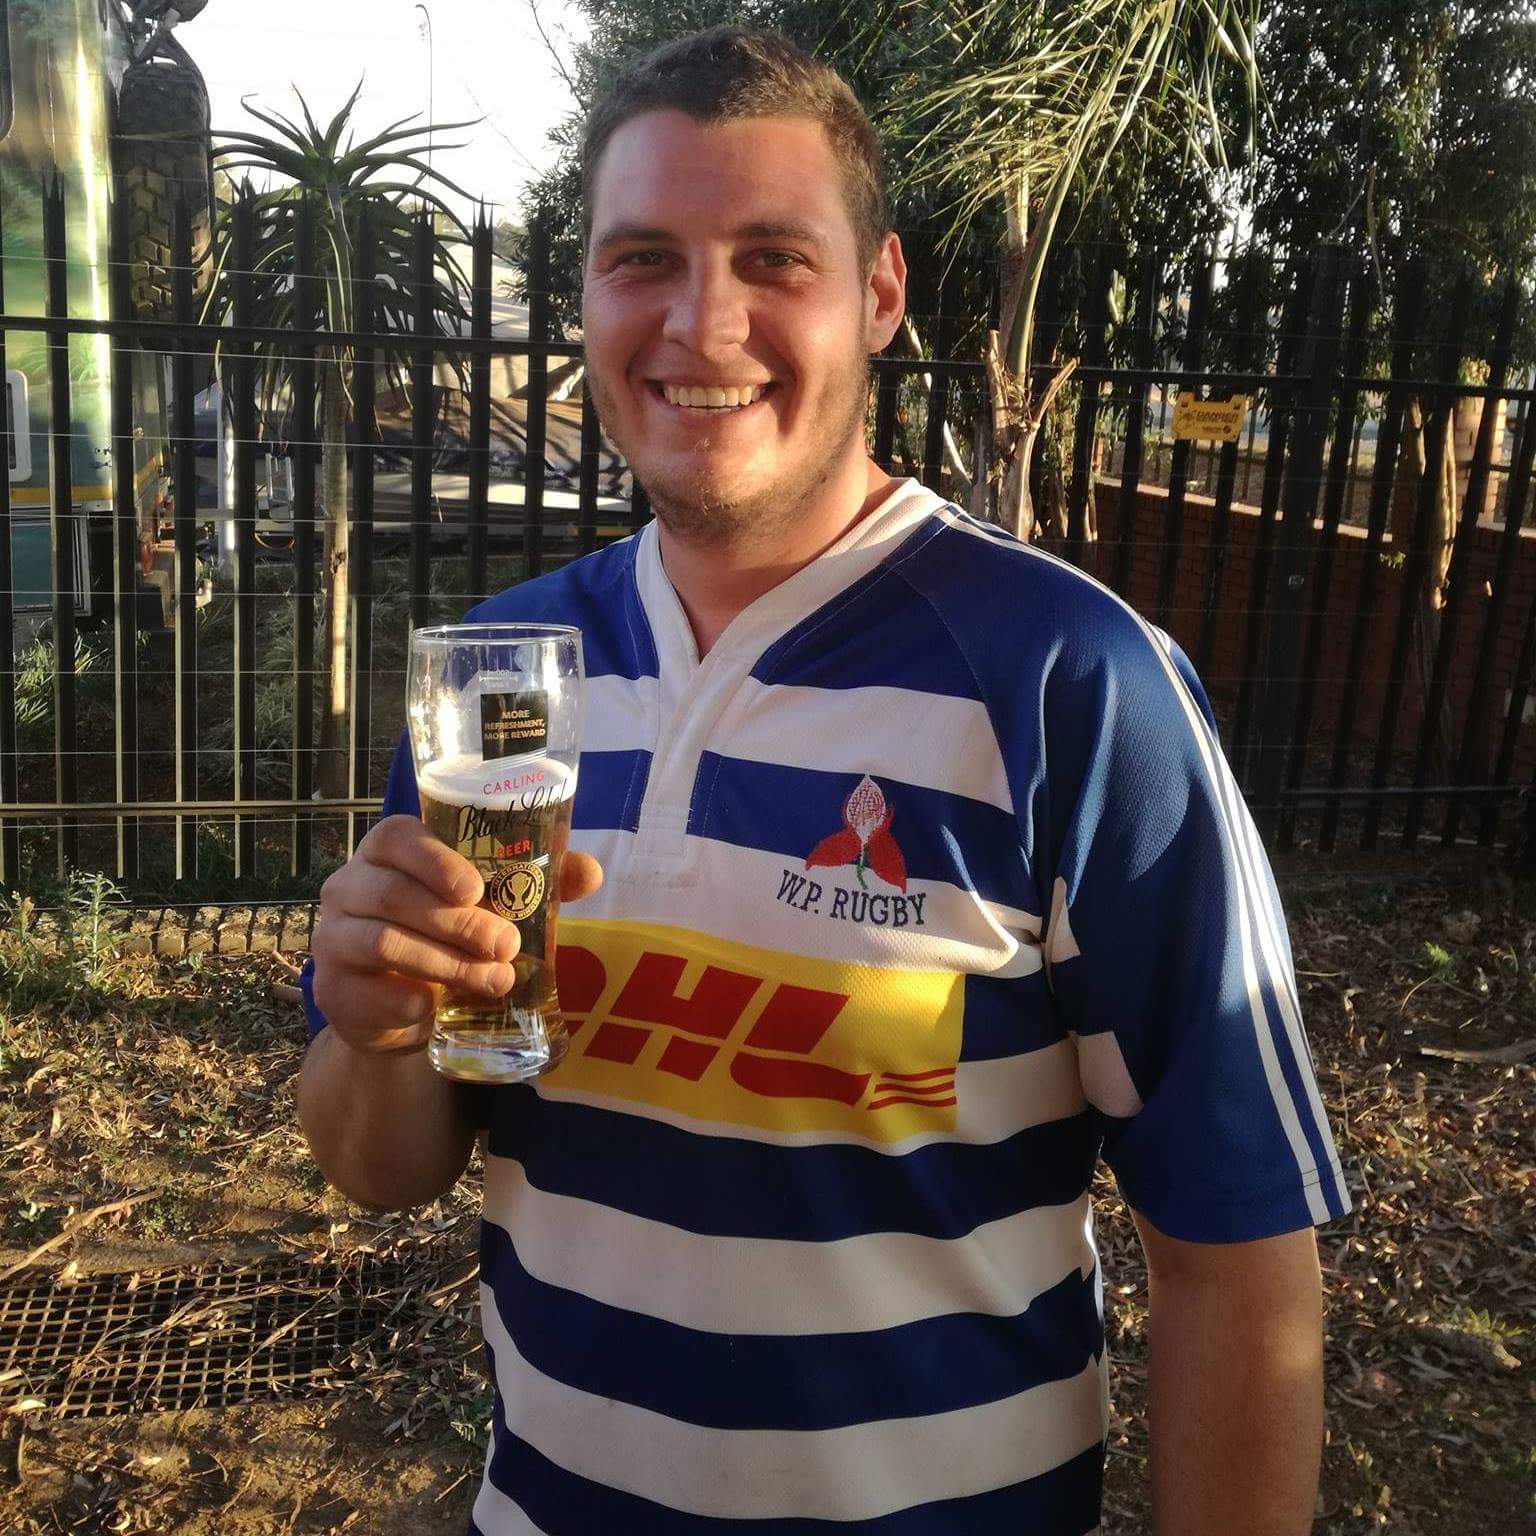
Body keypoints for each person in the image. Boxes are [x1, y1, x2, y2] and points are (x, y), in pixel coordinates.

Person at [299, 26, 1351, 1535]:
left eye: (774, 259)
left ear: (880, 295)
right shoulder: (501, 685)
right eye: (643, 258)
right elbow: (383, 1166)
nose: (703, 323)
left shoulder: (1069, 682)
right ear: (585, 295)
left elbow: (1236, 1256)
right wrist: (380, 1030)